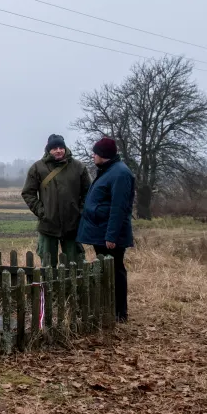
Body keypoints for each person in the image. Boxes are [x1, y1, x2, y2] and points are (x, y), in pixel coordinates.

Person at [76, 136, 135, 322]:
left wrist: (111, 236)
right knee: (105, 270)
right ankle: (109, 307)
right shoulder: (108, 170)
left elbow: (119, 208)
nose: (93, 155)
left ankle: (120, 313)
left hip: (109, 235)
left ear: (104, 155)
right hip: (100, 231)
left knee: (116, 271)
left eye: (96, 152)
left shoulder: (120, 174)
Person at [21, 134, 91, 270]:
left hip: (73, 225)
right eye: (54, 148)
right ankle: (48, 291)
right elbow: (28, 193)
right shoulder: (37, 168)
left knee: (75, 266)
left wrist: (80, 212)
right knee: (48, 267)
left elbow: (88, 193)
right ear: (48, 150)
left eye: (61, 147)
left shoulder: (79, 167)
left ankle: (73, 290)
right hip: (48, 225)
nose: (58, 150)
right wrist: (42, 212)